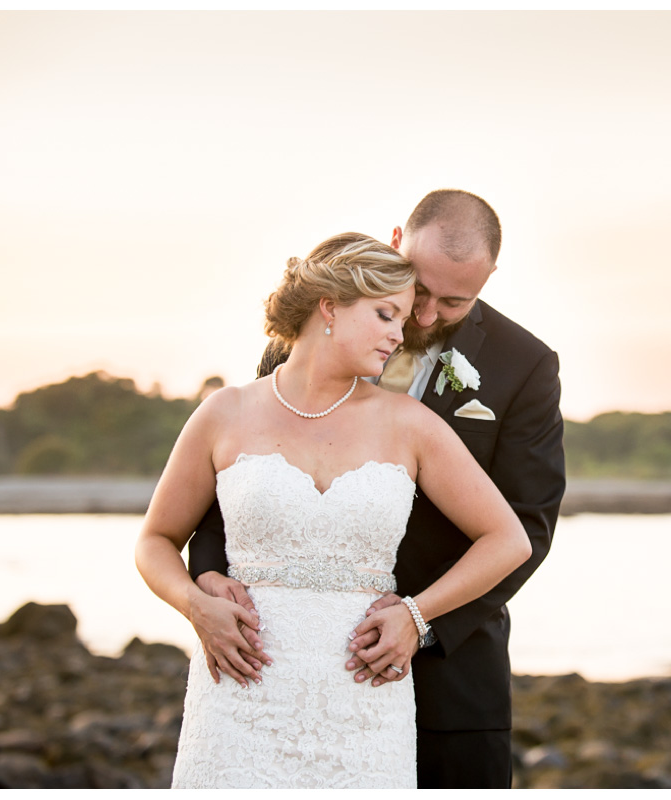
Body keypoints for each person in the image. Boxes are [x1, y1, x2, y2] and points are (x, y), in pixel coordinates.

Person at [188, 190, 567, 788]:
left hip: (453, 678)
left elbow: (528, 528)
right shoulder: (302, 344)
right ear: (395, 243)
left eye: (455, 301)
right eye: (419, 287)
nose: (422, 317)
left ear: (489, 279)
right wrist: (207, 579)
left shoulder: (525, 366)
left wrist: (421, 622)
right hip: (279, 669)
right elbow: (237, 477)